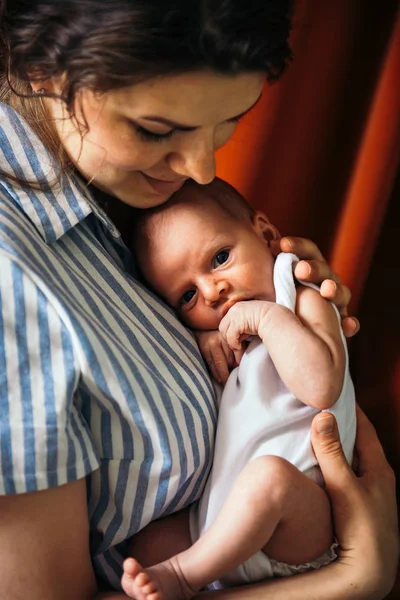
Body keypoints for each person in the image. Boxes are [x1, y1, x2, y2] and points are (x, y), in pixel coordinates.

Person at [0, 1, 397, 599]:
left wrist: (271, 299)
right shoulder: (12, 278)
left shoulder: (126, 188)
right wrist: (352, 580)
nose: (203, 169)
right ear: (41, 69)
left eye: (230, 119)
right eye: (157, 131)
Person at [120, 178, 357, 599]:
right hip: (218, 525)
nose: (213, 291)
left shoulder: (299, 298)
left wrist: (265, 319)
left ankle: (185, 575)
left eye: (220, 257)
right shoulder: (227, 333)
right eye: (188, 295)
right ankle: (185, 569)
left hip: (299, 519)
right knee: (147, 547)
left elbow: (321, 386)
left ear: (265, 234)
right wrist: (208, 340)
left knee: (269, 480)